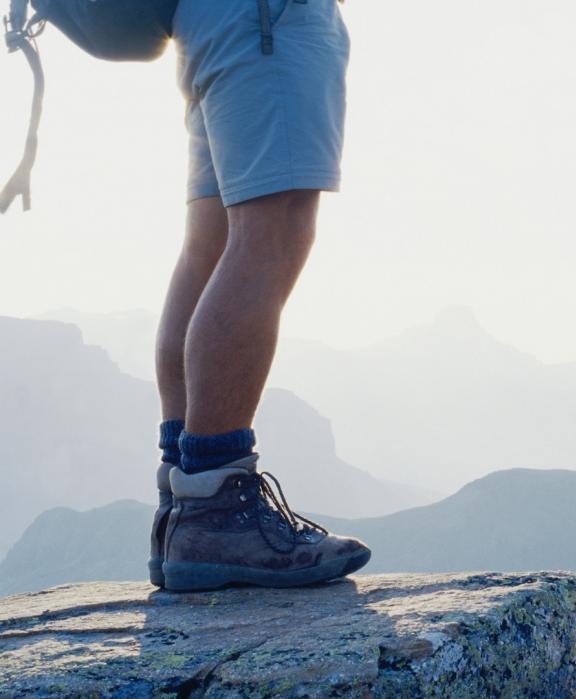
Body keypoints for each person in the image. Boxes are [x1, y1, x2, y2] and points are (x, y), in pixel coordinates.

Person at [148, 0, 370, 592]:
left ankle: (185, 497)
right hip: (268, 21)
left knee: (213, 243)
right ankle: (216, 510)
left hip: (213, 23)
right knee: (271, 233)